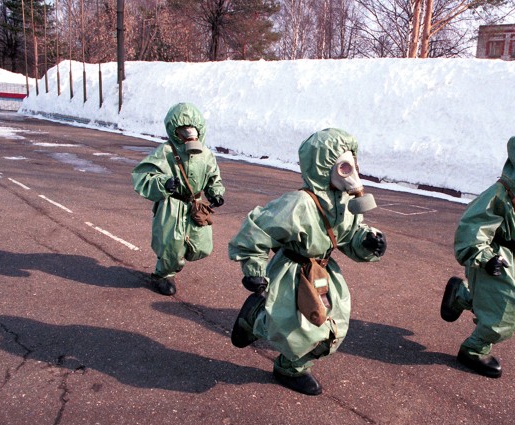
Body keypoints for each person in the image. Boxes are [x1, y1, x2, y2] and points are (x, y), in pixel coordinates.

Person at [228, 128, 386, 396]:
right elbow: (258, 229)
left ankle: (290, 367)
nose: (351, 174)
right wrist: (253, 266)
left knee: (331, 325)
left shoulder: (344, 204)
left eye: (353, 165)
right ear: (324, 167)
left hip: (322, 271)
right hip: (293, 270)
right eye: (343, 166)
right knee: (292, 327)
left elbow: (350, 235)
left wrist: (368, 242)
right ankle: (254, 319)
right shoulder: (299, 203)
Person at [439, 129, 515, 378]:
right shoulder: (499, 194)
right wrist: (484, 257)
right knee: (507, 311)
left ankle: (461, 295)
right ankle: (474, 349)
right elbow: (473, 228)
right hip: (494, 257)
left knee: (503, 301)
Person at [132, 102, 225, 296]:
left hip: (195, 204)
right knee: (171, 244)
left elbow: (213, 177)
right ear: (174, 131)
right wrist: (164, 183)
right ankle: (163, 274)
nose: (189, 135)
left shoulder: (206, 154)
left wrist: (215, 192)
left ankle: (175, 262)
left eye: (192, 130)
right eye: (183, 130)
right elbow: (143, 176)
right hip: (171, 204)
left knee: (201, 246)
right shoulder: (165, 152)